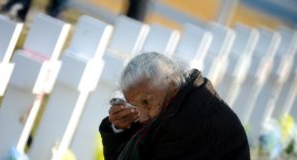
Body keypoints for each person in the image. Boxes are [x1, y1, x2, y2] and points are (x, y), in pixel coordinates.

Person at [99, 52, 250, 160]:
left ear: (171, 83)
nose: (143, 116)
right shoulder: (178, 105)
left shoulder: (188, 122)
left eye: (146, 102)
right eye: (134, 106)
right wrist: (119, 129)